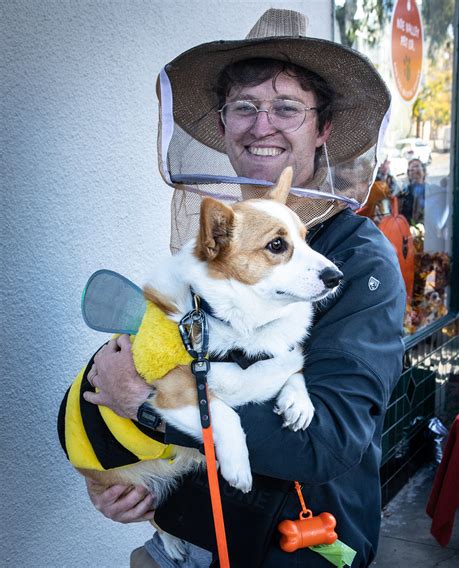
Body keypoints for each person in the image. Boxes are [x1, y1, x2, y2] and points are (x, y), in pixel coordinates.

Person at [82, 9, 405, 568]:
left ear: (323, 129)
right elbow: (169, 343)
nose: (262, 126)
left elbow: (325, 441)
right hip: (184, 537)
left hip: (291, 547)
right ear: (224, 123)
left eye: (286, 108)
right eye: (244, 108)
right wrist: (120, 471)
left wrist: (147, 406)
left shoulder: (357, 262)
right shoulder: (221, 236)